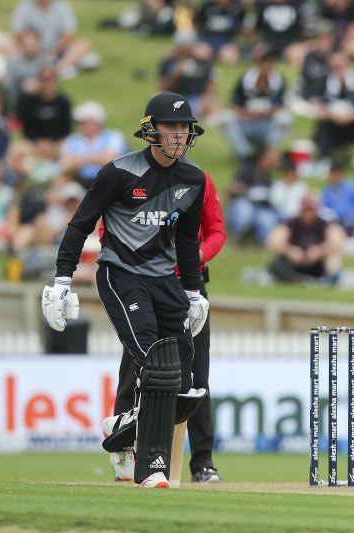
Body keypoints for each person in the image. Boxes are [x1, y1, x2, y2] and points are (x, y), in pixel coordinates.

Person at [40, 92, 210, 488]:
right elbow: (80, 224)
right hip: (121, 275)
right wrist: (62, 280)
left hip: (165, 280)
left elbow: (187, 242)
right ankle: (149, 466)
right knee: (155, 364)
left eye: (184, 127)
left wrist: (193, 291)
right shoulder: (119, 172)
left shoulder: (193, 179)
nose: (178, 134)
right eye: (170, 127)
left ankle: (120, 427)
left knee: (184, 384)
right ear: (151, 130)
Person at [111, 172, 226, 484]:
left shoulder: (200, 180)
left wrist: (194, 259)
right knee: (135, 366)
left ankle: (202, 462)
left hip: (189, 284)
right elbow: (114, 226)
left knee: (196, 374)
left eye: (182, 131)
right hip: (146, 280)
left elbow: (216, 232)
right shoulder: (136, 178)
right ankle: (123, 452)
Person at [267, 193, 346, 284]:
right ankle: (292, 278)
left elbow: (337, 241)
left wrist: (320, 251)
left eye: (310, 210)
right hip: (295, 263)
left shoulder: (323, 224)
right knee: (278, 261)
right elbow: (273, 242)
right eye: (305, 210)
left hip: (318, 263)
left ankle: (331, 277)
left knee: (333, 256)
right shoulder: (291, 223)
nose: (308, 213)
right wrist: (290, 251)